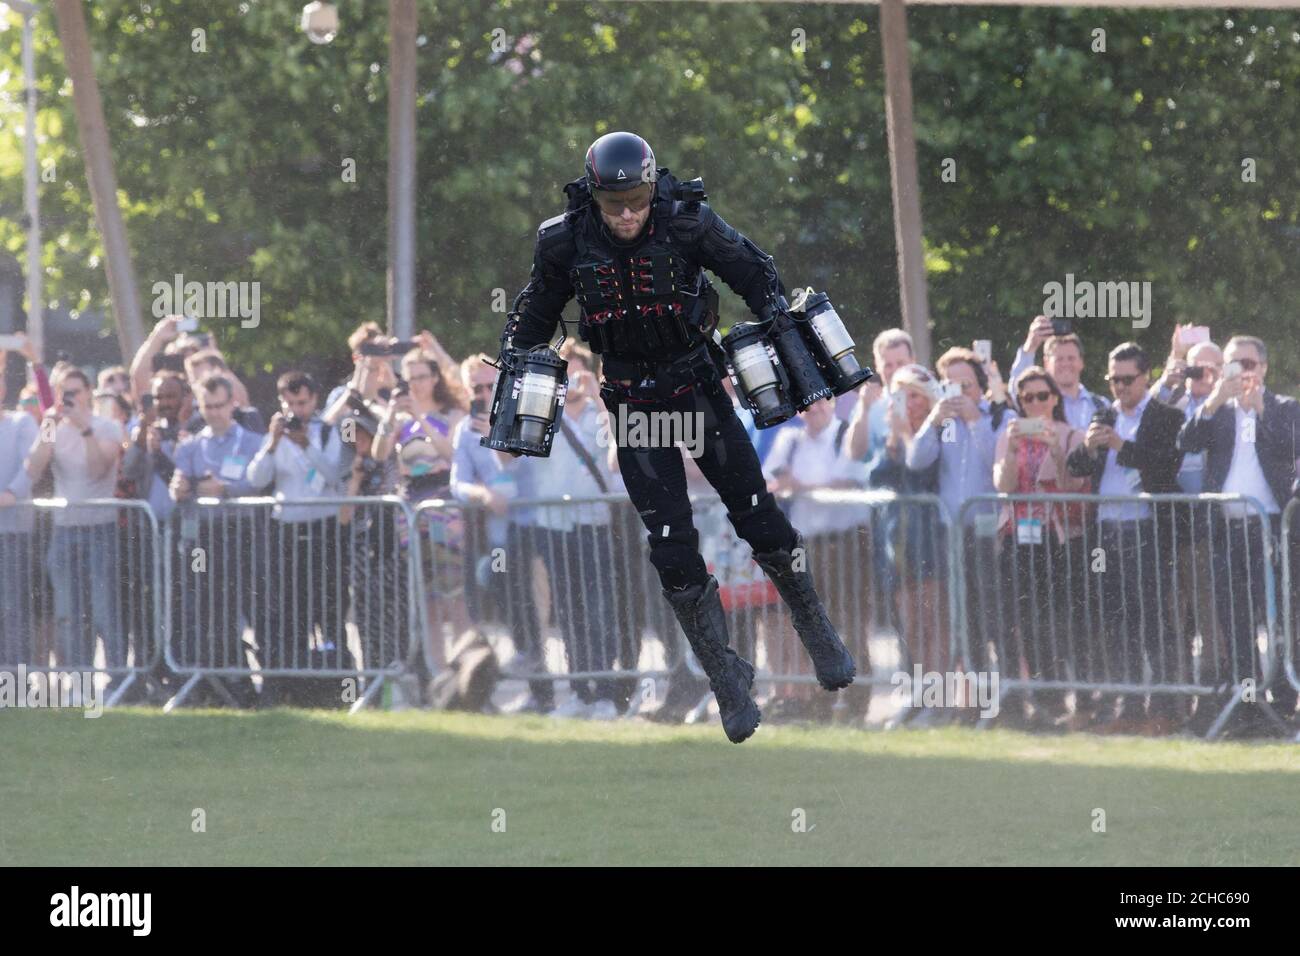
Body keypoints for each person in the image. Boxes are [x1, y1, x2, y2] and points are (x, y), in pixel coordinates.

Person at [498, 131, 856, 742]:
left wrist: (780, 325)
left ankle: (814, 624)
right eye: (615, 206)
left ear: (651, 187)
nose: (629, 214)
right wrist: (519, 359)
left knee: (756, 514)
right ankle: (724, 677)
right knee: (670, 544)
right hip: (633, 402)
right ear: (594, 197)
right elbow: (534, 317)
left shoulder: (689, 221)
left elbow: (755, 271)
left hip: (699, 389)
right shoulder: (563, 241)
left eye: (636, 200)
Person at [1178, 335, 1300, 734]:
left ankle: (1283, 703)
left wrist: (1260, 409)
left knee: (1280, 619)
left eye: (1249, 364)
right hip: (1227, 529)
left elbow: (1288, 449)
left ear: (1263, 367)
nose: (1242, 372)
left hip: (1271, 529)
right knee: (1237, 620)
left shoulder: (1284, 408)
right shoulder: (1217, 411)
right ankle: (1247, 704)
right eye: (1234, 364)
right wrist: (1213, 400)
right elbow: (1186, 443)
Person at [1066, 342, 1185, 734]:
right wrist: (1087, 446)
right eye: (1113, 379)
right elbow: (1076, 468)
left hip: (1146, 528)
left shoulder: (1165, 415)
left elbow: (1165, 467)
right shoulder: (1103, 414)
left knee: (1153, 621)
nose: (1120, 387)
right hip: (1107, 530)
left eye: (1127, 379)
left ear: (1146, 376)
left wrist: (1122, 447)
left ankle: (1165, 709)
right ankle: (1129, 708)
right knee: (1118, 623)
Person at [449, 353, 552, 713]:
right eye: (474, 387)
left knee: (529, 607)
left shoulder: (522, 418)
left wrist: (494, 436)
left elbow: (524, 467)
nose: (481, 392)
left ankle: (546, 693)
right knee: (496, 602)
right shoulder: (465, 429)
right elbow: (457, 483)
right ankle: (487, 687)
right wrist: (481, 494)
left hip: (530, 528)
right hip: (493, 535)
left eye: (486, 384)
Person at [762, 397, 873, 722]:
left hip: (847, 542)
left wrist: (800, 487)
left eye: (822, 401)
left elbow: (846, 482)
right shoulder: (790, 439)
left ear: (832, 402)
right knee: (813, 627)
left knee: (851, 625)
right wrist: (793, 487)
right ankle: (819, 705)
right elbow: (774, 481)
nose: (815, 408)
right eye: (808, 404)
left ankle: (855, 705)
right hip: (807, 544)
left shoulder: (846, 434)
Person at [992, 367, 1089, 728]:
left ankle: (1060, 701)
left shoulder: (1071, 435)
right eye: (1027, 398)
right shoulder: (1010, 435)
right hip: (1018, 536)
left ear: (1054, 398)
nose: (1035, 404)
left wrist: (1056, 451)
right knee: (1023, 623)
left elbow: (1073, 486)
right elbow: (1003, 487)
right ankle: (1030, 704)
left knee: (1056, 622)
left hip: (1056, 537)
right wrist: (1014, 450)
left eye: (1042, 396)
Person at [246, 371, 350, 704]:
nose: (296, 410)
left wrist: (307, 446)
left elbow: (334, 474)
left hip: (324, 530)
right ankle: (294, 686)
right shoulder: (276, 435)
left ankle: (338, 684)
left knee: (330, 607)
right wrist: (273, 442)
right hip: (287, 531)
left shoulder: (326, 431)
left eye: (301, 403)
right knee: (291, 610)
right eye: (290, 403)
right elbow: (255, 478)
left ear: (314, 401)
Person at [24, 366, 127, 691]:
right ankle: (79, 679)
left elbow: (99, 470)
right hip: (65, 530)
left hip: (101, 530)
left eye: (75, 392)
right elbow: (33, 469)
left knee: (104, 609)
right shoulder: (53, 427)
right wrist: (48, 428)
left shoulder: (106, 426)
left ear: (87, 393)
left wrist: (85, 429)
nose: (69, 399)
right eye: (62, 392)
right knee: (69, 611)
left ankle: (118, 679)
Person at [373, 337, 470, 671]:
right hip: (411, 506)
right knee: (426, 598)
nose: (416, 383)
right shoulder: (399, 418)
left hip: (443, 504)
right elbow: (379, 453)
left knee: (452, 594)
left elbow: (451, 455)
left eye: (422, 376)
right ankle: (437, 671)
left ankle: (466, 669)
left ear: (435, 378)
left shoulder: (452, 414)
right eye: (410, 377)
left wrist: (423, 420)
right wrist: (391, 414)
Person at [169, 374, 267, 705]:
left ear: (232, 404)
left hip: (243, 535)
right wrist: (179, 489)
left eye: (218, 406)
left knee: (250, 611)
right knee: (209, 613)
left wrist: (227, 490)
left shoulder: (254, 442)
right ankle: (218, 683)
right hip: (203, 539)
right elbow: (178, 483)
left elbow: (262, 482)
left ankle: (262, 683)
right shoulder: (191, 445)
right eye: (206, 406)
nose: (212, 413)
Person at [908, 347, 1000, 675]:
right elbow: (916, 460)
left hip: (992, 532)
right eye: (951, 386)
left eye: (966, 386)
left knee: (996, 614)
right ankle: (977, 693)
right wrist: (933, 421)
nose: (959, 395)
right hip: (955, 534)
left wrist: (975, 420)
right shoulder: (943, 424)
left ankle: (1009, 695)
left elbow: (995, 461)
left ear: (980, 386)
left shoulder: (996, 416)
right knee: (965, 617)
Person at [869, 364, 944, 725]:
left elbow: (922, 471)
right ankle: (919, 694)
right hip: (897, 542)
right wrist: (894, 440)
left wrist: (907, 437)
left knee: (935, 621)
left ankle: (938, 697)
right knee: (911, 624)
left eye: (914, 394)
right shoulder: (891, 435)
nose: (908, 403)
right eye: (901, 395)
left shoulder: (939, 432)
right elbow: (876, 477)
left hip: (931, 537)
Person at [1010, 318, 1109, 431]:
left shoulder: (1101, 405)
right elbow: (1017, 389)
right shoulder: (1039, 401)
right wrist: (1030, 346)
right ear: (1046, 363)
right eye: (1059, 359)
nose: (1065, 364)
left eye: (1071, 358)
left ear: (1081, 362)